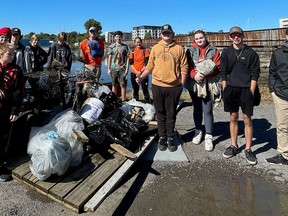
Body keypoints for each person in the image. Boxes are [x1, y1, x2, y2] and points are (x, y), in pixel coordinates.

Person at [136, 24, 188, 152]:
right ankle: (162, 137)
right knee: (160, 112)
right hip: (157, 85)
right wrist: (141, 77)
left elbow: (184, 67)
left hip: (173, 87)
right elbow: (150, 65)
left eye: (168, 33)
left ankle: (170, 137)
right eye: (164, 33)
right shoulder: (155, 48)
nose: (166, 35)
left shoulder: (179, 49)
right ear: (161, 34)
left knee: (171, 113)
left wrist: (182, 83)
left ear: (172, 34)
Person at [220, 26, 260, 165]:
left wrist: (251, 91)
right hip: (231, 89)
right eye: (233, 35)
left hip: (246, 90)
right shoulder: (226, 53)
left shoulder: (251, 53)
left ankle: (248, 149)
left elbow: (255, 74)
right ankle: (234, 145)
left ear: (243, 36)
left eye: (238, 35)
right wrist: (225, 90)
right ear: (230, 37)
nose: (236, 37)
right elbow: (223, 73)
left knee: (247, 119)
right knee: (233, 117)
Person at [185, 30, 221, 151]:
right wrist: (194, 75)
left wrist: (204, 74)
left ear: (205, 38)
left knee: (207, 109)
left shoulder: (213, 50)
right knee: (197, 108)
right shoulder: (190, 51)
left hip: (208, 84)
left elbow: (217, 66)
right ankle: (198, 131)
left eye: (201, 38)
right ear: (194, 40)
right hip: (194, 84)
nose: (199, 40)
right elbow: (187, 66)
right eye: (197, 38)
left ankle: (209, 136)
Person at [0, 42, 25, 182]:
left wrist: (15, 110)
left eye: (13, 54)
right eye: (9, 54)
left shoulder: (16, 70)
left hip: (6, 108)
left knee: (3, 136)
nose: (12, 56)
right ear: (2, 54)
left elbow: (18, 92)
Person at [266, 28, 288, 165]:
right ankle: (284, 154)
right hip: (282, 95)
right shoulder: (278, 54)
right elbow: (272, 72)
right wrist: (273, 90)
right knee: (282, 126)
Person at [107, 31, 129, 101]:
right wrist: (109, 68)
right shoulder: (112, 47)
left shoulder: (125, 47)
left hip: (122, 68)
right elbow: (109, 58)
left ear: (121, 37)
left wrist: (127, 69)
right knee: (114, 85)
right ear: (115, 38)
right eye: (117, 36)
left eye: (120, 36)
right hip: (114, 69)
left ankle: (123, 100)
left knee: (122, 84)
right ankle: (114, 100)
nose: (118, 38)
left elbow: (127, 58)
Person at [129, 37, 151, 103]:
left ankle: (148, 103)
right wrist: (136, 72)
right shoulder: (132, 51)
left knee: (145, 89)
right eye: (137, 42)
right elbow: (131, 64)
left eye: (139, 42)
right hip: (134, 73)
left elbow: (147, 63)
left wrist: (141, 71)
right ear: (135, 43)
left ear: (141, 42)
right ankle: (136, 102)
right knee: (135, 89)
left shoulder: (145, 50)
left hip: (143, 73)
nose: (138, 43)